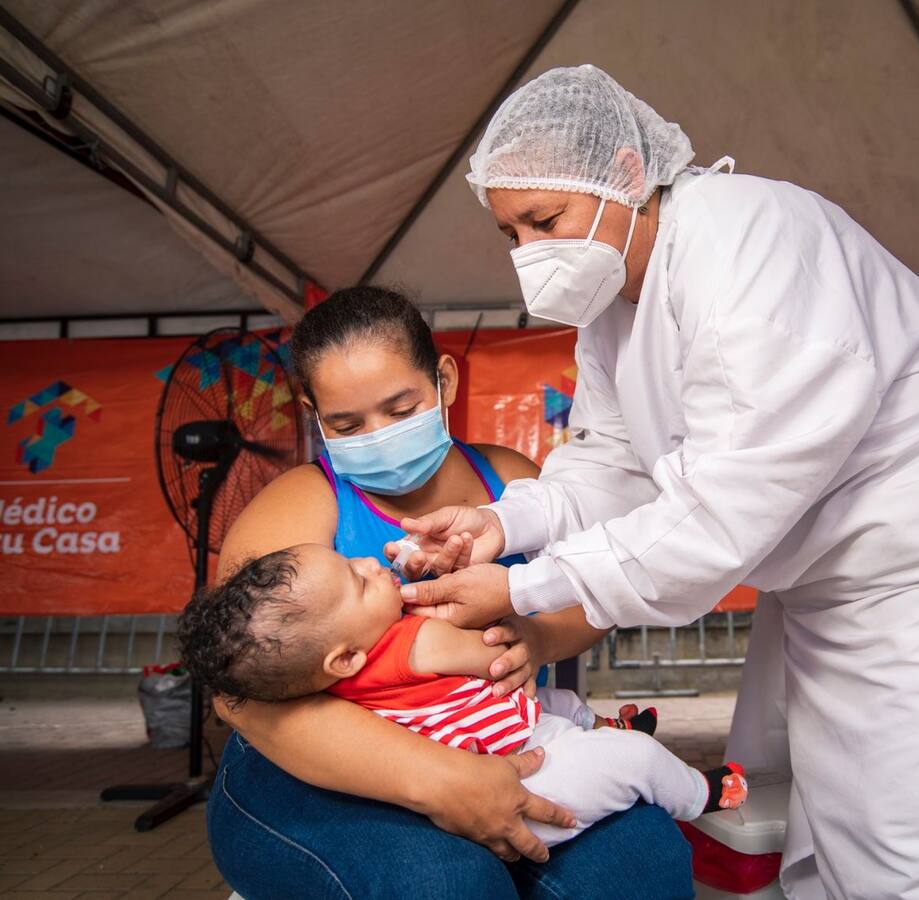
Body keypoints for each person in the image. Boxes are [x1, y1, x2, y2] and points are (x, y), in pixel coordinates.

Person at [393, 64, 919, 898]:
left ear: (624, 175)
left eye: (546, 220)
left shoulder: (748, 240)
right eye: (512, 235)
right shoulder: (613, 307)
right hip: (843, 576)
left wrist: (527, 589)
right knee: (846, 821)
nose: (532, 255)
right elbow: (611, 464)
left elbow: (728, 501)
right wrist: (503, 529)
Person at [205, 286, 694, 899]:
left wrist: (536, 638)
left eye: (401, 408)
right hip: (322, 763)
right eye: (346, 424)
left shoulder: (514, 482)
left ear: (444, 379)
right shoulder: (301, 504)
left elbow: (589, 594)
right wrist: (443, 781)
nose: (377, 435)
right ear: (312, 412)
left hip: (502, 737)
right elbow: (238, 693)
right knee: (449, 884)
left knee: (643, 867)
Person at [182, 543, 747, 845]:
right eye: (358, 580)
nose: (368, 564)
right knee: (636, 761)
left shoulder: (333, 680)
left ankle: (600, 729)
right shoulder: (415, 640)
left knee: (560, 710)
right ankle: (700, 794)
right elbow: (492, 653)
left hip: (494, 743)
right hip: (519, 789)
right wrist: (482, 595)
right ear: (345, 656)